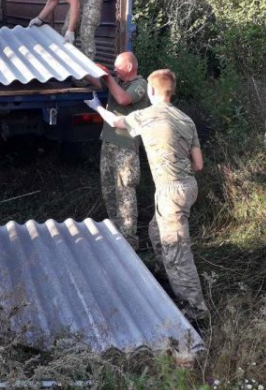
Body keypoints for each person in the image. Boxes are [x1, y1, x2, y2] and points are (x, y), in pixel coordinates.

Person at [84, 69, 208, 321]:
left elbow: (116, 122)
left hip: (170, 191)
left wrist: (97, 107)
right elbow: (198, 165)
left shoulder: (148, 115)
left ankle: (196, 310)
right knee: (155, 231)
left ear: (151, 91)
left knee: (176, 250)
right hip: (188, 187)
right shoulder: (186, 119)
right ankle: (163, 274)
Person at [86, 52, 148, 249]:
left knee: (124, 192)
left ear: (129, 67)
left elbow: (123, 100)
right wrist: (87, 68)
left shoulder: (141, 85)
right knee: (109, 190)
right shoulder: (118, 82)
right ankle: (116, 233)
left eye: (117, 67)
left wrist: (108, 78)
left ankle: (129, 241)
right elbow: (95, 81)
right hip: (109, 144)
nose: (114, 70)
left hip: (125, 148)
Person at [22, 0, 105, 61]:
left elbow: (75, 3)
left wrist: (71, 31)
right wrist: (39, 19)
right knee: (65, 31)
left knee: (86, 32)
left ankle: (89, 72)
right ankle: (70, 66)